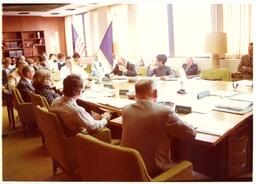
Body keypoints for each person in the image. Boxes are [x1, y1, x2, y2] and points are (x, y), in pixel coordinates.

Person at [121, 78, 196, 177]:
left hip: (127, 167)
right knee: (186, 163)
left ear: (136, 93)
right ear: (155, 93)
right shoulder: (165, 112)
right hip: (155, 173)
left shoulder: (125, 110)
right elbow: (191, 134)